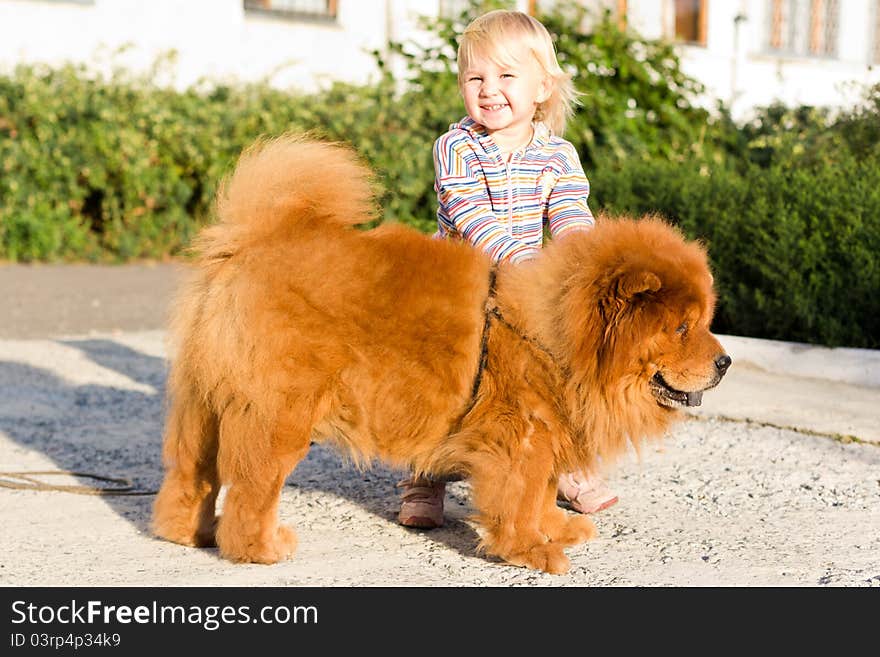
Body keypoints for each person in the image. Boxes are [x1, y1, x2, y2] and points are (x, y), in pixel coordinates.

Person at [397, 9, 618, 529]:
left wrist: (578, 266)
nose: (489, 89)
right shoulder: (455, 147)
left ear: (542, 85)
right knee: (445, 381)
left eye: (505, 76)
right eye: (475, 78)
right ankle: (425, 473)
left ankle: (564, 464)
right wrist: (524, 268)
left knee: (552, 372)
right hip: (460, 286)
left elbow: (570, 216)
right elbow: (471, 216)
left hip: (525, 288)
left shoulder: (559, 156)